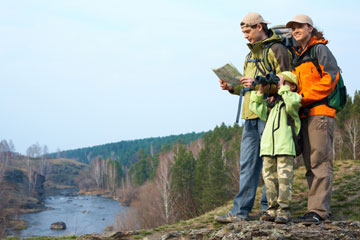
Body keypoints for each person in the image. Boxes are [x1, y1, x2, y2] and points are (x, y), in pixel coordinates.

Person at [215, 12, 292, 223]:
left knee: (270, 164)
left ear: (259, 27)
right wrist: (232, 87)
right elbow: (247, 85)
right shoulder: (249, 55)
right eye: (243, 32)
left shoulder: (278, 49)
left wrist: (260, 85)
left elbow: (288, 82)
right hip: (249, 115)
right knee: (248, 164)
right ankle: (240, 212)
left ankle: (270, 210)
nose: (245, 36)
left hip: (270, 114)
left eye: (247, 31)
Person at [286, 14, 339, 224]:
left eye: (299, 26)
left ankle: (319, 211)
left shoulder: (320, 49)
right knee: (310, 164)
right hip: (305, 114)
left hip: (320, 112)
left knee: (320, 162)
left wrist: (304, 97)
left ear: (310, 27)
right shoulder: (299, 55)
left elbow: (331, 77)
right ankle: (314, 210)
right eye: (293, 28)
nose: (295, 30)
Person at [250, 72, 301, 224]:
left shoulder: (293, 100)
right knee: (270, 181)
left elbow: (293, 103)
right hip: (267, 149)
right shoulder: (272, 105)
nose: (279, 85)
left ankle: (284, 211)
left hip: (285, 148)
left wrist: (283, 88)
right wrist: (261, 90)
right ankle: (271, 210)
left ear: (292, 86)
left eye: (283, 82)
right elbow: (255, 107)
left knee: (284, 181)